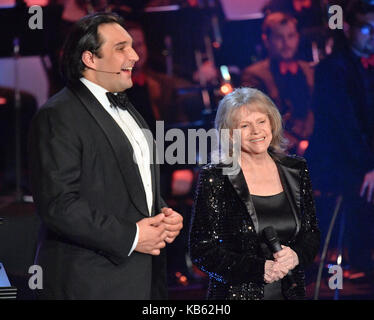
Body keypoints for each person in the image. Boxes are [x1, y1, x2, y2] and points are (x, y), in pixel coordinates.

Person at [28, 12, 183, 299]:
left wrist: (162, 214)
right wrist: (133, 236)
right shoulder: (58, 115)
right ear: (90, 59)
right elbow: (58, 205)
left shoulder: (128, 108)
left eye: (132, 46)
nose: (135, 55)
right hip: (90, 282)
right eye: (121, 47)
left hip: (141, 278)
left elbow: (130, 182)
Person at [189, 87, 320, 300]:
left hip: (290, 293)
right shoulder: (216, 177)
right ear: (230, 134)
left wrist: (296, 256)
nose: (256, 131)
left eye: (261, 121)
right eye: (244, 126)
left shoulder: (296, 169)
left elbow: (311, 233)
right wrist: (258, 268)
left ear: (272, 123)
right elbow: (202, 250)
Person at [306, 0, 374, 280]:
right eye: (368, 29)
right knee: (361, 185)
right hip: (338, 161)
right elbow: (346, 127)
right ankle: (360, 259)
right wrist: (370, 166)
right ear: (347, 28)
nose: (373, 36)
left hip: (363, 158)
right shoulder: (332, 69)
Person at [241, 12, 314, 155]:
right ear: (266, 40)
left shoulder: (309, 70)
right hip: (279, 153)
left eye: (291, 36)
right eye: (279, 37)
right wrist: (297, 145)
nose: (286, 43)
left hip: (315, 148)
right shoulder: (254, 75)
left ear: (298, 37)